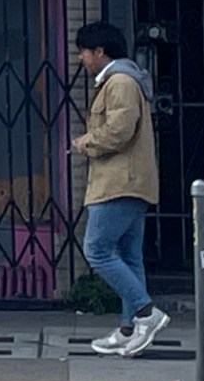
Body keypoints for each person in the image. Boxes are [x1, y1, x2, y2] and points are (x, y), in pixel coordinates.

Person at [69, 19, 168, 356]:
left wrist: (86, 142)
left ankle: (145, 313)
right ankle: (130, 329)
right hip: (131, 182)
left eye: (83, 51)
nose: (81, 58)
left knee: (96, 250)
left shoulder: (120, 82)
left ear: (99, 51)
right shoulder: (123, 80)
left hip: (118, 183)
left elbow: (119, 131)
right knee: (128, 255)